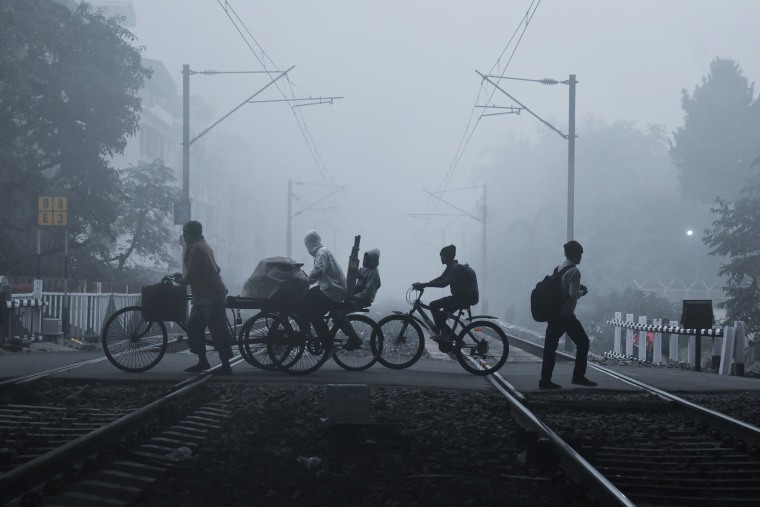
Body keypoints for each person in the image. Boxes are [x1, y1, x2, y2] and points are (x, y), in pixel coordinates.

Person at [174, 220, 234, 375]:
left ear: (191, 234)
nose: (184, 236)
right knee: (193, 325)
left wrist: (181, 280)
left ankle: (226, 365)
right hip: (204, 295)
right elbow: (216, 268)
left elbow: (192, 273)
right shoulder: (204, 246)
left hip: (211, 295)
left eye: (186, 233)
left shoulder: (197, 248)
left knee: (217, 329)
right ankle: (202, 361)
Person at [539, 240, 597, 389]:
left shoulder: (559, 268)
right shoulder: (574, 271)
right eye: (580, 254)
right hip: (566, 315)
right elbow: (572, 294)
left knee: (550, 348)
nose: (581, 257)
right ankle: (578, 376)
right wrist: (582, 291)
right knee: (583, 342)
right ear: (576, 254)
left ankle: (545, 380)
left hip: (554, 314)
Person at [412, 244, 477, 349]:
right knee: (441, 316)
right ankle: (452, 338)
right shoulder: (451, 266)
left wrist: (426, 285)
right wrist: (424, 284)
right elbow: (440, 278)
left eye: (442, 256)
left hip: (462, 298)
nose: (441, 258)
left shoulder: (454, 268)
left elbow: (444, 283)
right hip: (461, 298)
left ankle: (446, 336)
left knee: (433, 305)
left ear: (447, 256)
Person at [303, 230, 348, 351]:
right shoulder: (323, 251)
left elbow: (319, 269)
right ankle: (306, 331)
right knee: (305, 297)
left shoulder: (321, 253)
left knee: (314, 315)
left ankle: (329, 346)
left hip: (333, 290)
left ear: (310, 243)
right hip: (330, 286)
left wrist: (307, 280)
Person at [333, 248, 382, 350]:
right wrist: (352, 259)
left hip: (362, 300)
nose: (364, 261)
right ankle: (346, 331)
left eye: (366, 259)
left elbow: (368, 293)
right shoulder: (364, 269)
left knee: (340, 313)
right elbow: (353, 274)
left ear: (372, 260)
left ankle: (354, 338)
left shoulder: (373, 273)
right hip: (355, 296)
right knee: (334, 311)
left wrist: (352, 297)